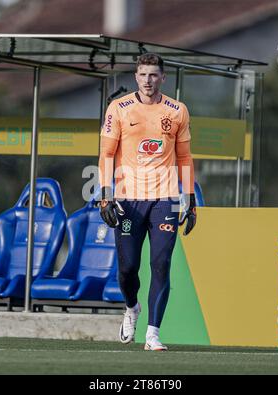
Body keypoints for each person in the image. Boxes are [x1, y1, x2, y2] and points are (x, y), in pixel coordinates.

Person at [97, 53, 196, 351]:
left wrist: (190, 198)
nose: (148, 81)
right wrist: (105, 195)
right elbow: (107, 154)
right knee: (128, 268)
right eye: (143, 75)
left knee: (161, 263)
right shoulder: (119, 108)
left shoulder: (177, 110)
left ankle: (153, 333)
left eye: (153, 75)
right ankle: (131, 308)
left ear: (162, 78)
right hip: (128, 199)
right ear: (136, 77)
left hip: (164, 199)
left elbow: (184, 157)